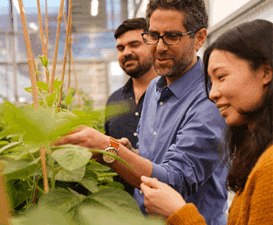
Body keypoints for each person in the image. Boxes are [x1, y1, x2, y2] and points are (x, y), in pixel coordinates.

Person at [54, 0, 228, 224]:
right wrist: (129, 155)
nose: (160, 46)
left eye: (172, 36)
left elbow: (176, 180)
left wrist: (109, 148)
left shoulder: (211, 97)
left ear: (200, 38)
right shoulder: (155, 88)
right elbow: (156, 161)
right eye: (154, 35)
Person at [140, 19, 273, 225]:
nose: (212, 94)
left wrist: (179, 213)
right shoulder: (153, 90)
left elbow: (177, 175)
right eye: (153, 36)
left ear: (265, 72)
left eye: (221, 77)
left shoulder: (269, 167)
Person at [104, 18, 158, 195]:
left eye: (134, 44)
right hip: (124, 207)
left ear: (153, 44)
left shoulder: (171, 96)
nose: (126, 52)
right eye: (121, 48)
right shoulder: (114, 100)